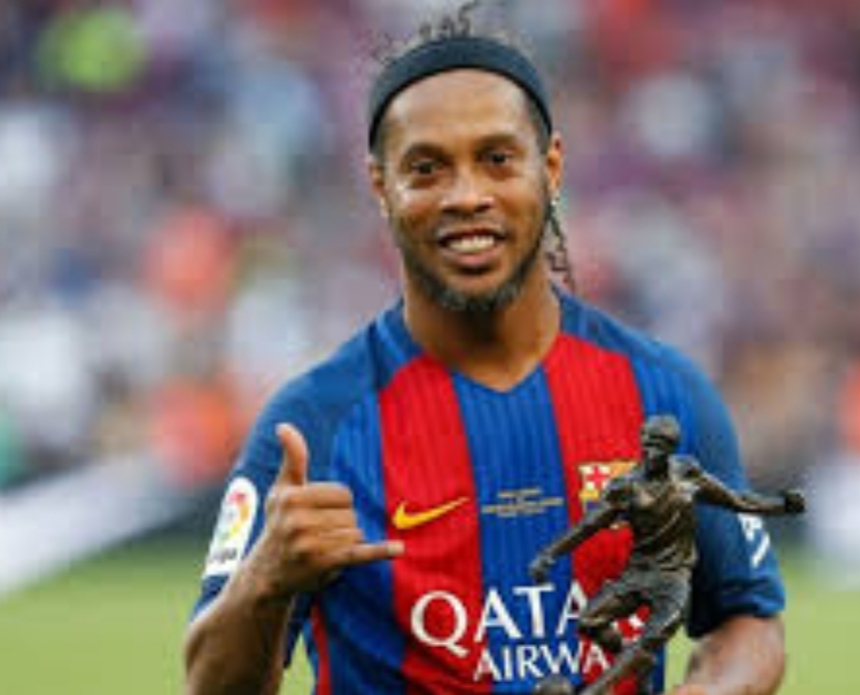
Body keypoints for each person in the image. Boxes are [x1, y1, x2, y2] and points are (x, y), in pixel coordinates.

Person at [184, 7, 793, 694]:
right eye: (427, 168)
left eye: (497, 159)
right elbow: (208, 684)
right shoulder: (314, 425)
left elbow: (748, 621)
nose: (467, 195)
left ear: (550, 168)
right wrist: (265, 580)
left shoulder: (664, 396)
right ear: (381, 188)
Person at [529, 415, 805, 695]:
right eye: (648, 443)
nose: (652, 451)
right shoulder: (627, 487)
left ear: (671, 448)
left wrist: (781, 505)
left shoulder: (688, 475)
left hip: (673, 580)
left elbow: (736, 500)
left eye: (659, 445)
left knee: (648, 641)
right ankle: (635, 661)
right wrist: (549, 555)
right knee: (589, 621)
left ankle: (597, 688)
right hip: (638, 574)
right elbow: (589, 525)